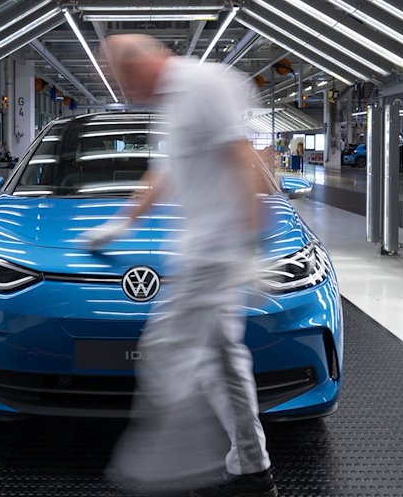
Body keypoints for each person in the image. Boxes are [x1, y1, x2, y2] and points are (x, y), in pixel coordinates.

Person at [83, 34, 276, 497]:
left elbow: (247, 158)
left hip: (215, 253)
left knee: (166, 350)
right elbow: (165, 174)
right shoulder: (173, 104)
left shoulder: (202, 85)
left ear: (140, 66)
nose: (126, 92)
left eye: (124, 81)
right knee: (222, 363)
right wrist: (118, 224)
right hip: (202, 251)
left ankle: (168, 469)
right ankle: (252, 469)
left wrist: (252, 243)